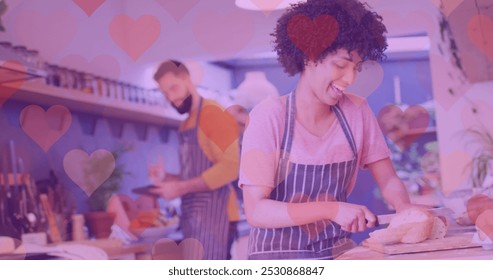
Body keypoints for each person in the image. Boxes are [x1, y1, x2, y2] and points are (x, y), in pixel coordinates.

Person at [238, 0, 412, 260]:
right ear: (310, 55)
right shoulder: (268, 117)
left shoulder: (357, 112)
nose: (350, 78)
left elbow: (387, 179)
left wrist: (404, 208)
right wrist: (331, 209)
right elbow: (256, 211)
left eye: (356, 67)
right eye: (341, 65)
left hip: (337, 254)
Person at [149, 60, 240, 260]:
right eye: (166, 93)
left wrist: (180, 188)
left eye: (174, 88)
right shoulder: (185, 124)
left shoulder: (213, 114)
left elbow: (231, 166)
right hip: (194, 219)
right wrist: (168, 177)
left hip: (219, 217)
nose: (172, 98)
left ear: (187, 79)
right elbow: (194, 175)